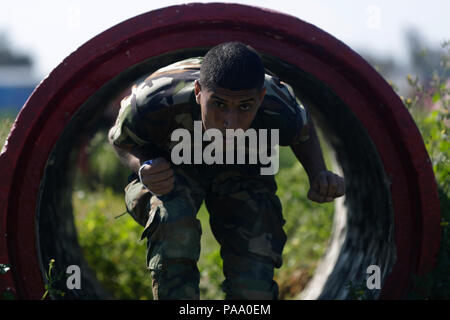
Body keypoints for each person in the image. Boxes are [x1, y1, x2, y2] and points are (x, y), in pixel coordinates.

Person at [108, 42, 345, 300]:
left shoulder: (278, 102)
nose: (230, 122)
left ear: (260, 99)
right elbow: (120, 140)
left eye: (244, 107)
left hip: (242, 172)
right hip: (172, 168)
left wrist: (318, 173)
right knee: (171, 219)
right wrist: (144, 166)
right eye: (219, 104)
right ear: (198, 92)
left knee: (255, 256)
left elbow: (302, 128)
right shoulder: (155, 97)